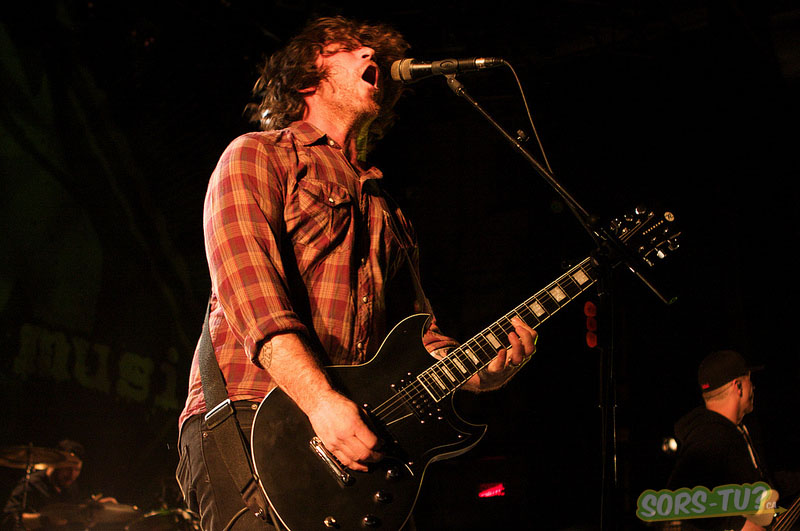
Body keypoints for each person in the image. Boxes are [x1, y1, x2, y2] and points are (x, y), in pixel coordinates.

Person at [176, 15, 538, 530]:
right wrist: (320, 402)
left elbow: (419, 336)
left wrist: (478, 372)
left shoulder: (389, 209)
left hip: (356, 435)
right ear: (306, 78)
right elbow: (248, 288)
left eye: (373, 50)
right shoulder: (259, 154)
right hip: (255, 415)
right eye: (348, 49)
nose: (371, 56)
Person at [666, 350, 798, 531]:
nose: (753, 387)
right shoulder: (710, 436)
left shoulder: (733, 431)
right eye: (749, 380)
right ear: (738, 386)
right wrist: (739, 525)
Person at [2, 440, 85, 530]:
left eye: (77, 470)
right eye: (68, 468)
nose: (72, 474)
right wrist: (43, 520)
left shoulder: (71, 488)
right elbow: (8, 520)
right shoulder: (31, 485)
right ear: (56, 464)